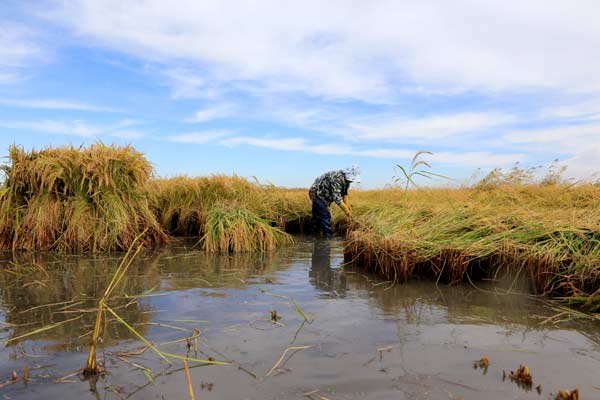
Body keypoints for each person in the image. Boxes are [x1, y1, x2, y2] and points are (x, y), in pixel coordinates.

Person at [309, 164, 360, 238]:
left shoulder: (346, 180)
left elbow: (344, 193)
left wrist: (348, 205)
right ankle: (328, 240)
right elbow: (337, 198)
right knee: (326, 216)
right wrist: (346, 210)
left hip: (323, 196)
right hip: (316, 194)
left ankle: (312, 237)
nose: (352, 181)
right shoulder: (337, 178)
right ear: (348, 174)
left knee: (316, 218)